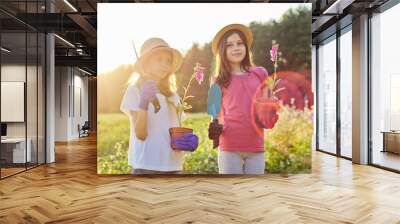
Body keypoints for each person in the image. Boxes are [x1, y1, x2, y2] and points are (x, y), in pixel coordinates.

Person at [120, 37, 198, 174]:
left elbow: (176, 131)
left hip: (173, 167)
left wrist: (187, 141)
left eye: (168, 61)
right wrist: (143, 102)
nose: (165, 65)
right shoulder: (135, 91)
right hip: (146, 166)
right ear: (146, 63)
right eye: (159, 59)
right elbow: (141, 134)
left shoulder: (173, 96)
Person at [208, 24, 277, 174]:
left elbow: (267, 110)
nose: (236, 48)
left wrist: (271, 107)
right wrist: (213, 127)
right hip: (229, 146)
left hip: (255, 146)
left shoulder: (260, 73)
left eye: (239, 43)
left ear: (246, 47)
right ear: (223, 50)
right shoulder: (217, 80)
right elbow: (214, 113)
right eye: (229, 45)